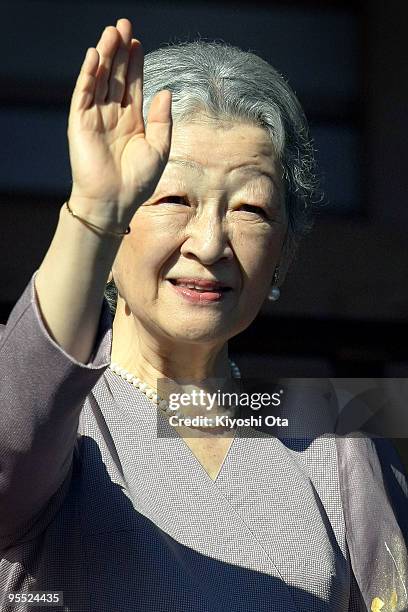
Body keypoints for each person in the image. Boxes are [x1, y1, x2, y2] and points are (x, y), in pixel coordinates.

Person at [0, 17, 407, 612]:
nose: (211, 243)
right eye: (172, 199)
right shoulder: (56, 408)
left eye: (251, 209)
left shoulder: (331, 420)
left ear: (283, 257)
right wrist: (92, 210)